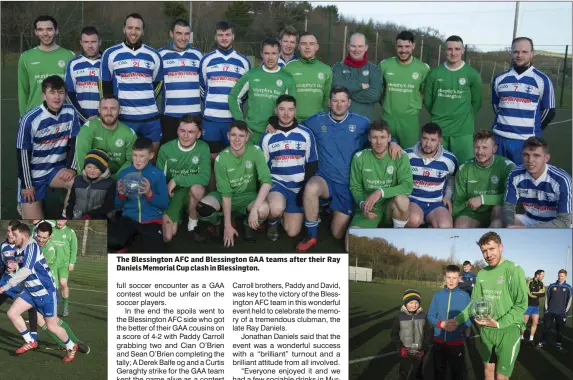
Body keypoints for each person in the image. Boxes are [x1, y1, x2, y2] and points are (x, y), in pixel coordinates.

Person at [295, 86, 370, 253]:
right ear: (329, 102)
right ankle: (311, 235)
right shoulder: (317, 120)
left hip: (348, 184)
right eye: (335, 100)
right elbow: (295, 129)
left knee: (337, 234)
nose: (339, 104)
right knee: (311, 188)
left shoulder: (361, 122)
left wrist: (393, 141)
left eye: (343, 101)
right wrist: (273, 125)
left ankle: (330, 208)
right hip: (325, 179)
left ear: (349, 103)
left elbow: (381, 133)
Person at [446, 231, 528, 380]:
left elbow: (521, 305)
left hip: (508, 331)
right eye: (484, 251)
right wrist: (456, 320)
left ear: (501, 247)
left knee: (501, 377)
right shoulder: (482, 273)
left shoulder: (514, 270)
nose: (488, 254)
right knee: (488, 372)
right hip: (486, 331)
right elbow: (474, 303)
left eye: (492, 249)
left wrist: (498, 323)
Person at [0, 223, 80, 361]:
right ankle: (30, 341)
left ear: (24, 236)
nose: (12, 237)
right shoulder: (19, 249)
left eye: (15, 235)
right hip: (30, 292)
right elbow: (21, 271)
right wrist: (13, 268)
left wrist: (5, 286)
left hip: (46, 293)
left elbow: (26, 271)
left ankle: (71, 345)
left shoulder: (32, 246)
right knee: (12, 313)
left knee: (52, 326)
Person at [195, 121, 271, 246]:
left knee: (263, 209)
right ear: (228, 136)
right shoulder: (221, 159)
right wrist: (227, 226)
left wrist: (255, 209)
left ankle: (247, 225)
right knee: (202, 208)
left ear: (247, 137)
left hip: (248, 196)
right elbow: (226, 195)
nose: (237, 139)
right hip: (226, 196)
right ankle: (217, 223)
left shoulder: (255, 151)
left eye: (241, 136)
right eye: (233, 135)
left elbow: (266, 181)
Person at [17, 75, 81, 219]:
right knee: (34, 222)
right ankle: (24, 203)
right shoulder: (30, 119)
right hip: (34, 175)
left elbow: (75, 143)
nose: (57, 97)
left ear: (65, 94)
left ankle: (66, 215)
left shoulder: (70, 112)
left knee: (78, 183)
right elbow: (22, 153)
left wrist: (72, 168)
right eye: (52, 92)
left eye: (60, 92)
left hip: (57, 171)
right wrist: (27, 185)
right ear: (43, 95)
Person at [101, 13, 164, 155]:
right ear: (124, 29)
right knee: (126, 156)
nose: (133, 31)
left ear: (143, 31)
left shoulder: (154, 55)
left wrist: (145, 99)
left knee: (151, 155)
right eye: (130, 27)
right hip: (125, 117)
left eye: (137, 28)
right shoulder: (110, 53)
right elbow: (105, 85)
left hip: (150, 117)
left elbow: (158, 83)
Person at [260, 95, 318, 241]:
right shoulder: (267, 136)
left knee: (292, 232)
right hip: (278, 184)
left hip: (297, 187)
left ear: (295, 111)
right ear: (276, 110)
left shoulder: (306, 133)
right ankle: (272, 222)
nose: (286, 114)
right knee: (276, 208)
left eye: (290, 109)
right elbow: (263, 167)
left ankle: (288, 213)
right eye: (282, 109)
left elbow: (312, 163)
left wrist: (304, 189)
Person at [492, 37, 555, 166]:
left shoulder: (542, 80)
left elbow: (549, 111)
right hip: (499, 139)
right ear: (511, 53)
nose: (519, 55)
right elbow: (496, 105)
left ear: (532, 54)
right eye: (516, 52)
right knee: (496, 180)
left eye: (524, 52)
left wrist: (531, 129)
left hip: (526, 141)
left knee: (523, 180)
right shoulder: (500, 78)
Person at [424, 35, 482, 164]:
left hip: (463, 131)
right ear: (445, 51)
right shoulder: (435, 73)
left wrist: (463, 117)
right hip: (439, 130)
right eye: (449, 49)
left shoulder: (472, 74)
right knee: (438, 168)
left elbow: (476, 102)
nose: (453, 52)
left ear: (462, 51)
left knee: (464, 169)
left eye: (457, 49)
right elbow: (428, 102)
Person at [348, 120, 412, 233]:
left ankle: (398, 233)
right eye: (374, 137)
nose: (379, 142)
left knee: (402, 199)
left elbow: (407, 186)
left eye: (382, 137)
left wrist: (380, 192)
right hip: (370, 208)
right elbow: (355, 186)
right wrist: (362, 203)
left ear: (389, 138)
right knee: (351, 244)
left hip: (391, 206)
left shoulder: (401, 156)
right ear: (369, 138)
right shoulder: (359, 157)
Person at [107, 137, 169, 253]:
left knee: (156, 254)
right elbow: (117, 204)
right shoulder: (124, 173)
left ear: (151, 156)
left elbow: (164, 204)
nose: (137, 160)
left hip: (151, 220)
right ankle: (128, 242)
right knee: (111, 241)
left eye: (142, 156)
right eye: (135, 155)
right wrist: (121, 194)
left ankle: (135, 240)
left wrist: (149, 193)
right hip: (129, 217)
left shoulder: (157, 174)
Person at [229, 38, 296, 145]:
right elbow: (233, 96)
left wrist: (275, 123)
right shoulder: (251, 75)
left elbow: (291, 108)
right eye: (266, 53)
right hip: (251, 133)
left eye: (274, 53)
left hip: (275, 132)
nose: (270, 57)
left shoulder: (287, 78)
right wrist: (240, 121)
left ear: (279, 54)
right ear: (261, 54)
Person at [200, 20, 251, 156]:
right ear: (215, 37)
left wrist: (236, 106)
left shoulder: (244, 62)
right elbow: (202, 87)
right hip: (211, 119)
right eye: (220, 35)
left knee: (233, 156)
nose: (224, 38)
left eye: (227, 34)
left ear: (233, 36)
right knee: (211, 157)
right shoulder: (206, 60)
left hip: (232, 119)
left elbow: (245, 91)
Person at [156, 115, 210, 242]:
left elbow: (204, 177)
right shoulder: (166, 148)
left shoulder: (203, 148)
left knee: (197, 189)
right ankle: (179, 213)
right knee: (168, 236)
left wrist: (176, 180)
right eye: (182, 131)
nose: (186, 136)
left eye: (191, 132)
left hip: (193, 190)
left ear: (198, 134)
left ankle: (192, 224)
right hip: (174, 193)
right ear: (177, 131)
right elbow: (159, 178)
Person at [503, 137, 572, 228]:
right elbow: (508, 206)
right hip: (529, 220)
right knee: (498, 219)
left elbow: (564, 221)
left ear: (546, 158)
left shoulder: (561, 180)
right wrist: (509, 225)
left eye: (536, 155)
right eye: (526, 155)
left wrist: (527, 229)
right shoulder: (515, 174)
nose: (530, 160)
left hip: (555, 223)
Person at [453, 130, 515, 228]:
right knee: (461, 224)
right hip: (474, 213)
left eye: (485, 147)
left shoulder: (508, 167)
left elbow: (512, 198)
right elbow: (458, 203)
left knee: (499, 214)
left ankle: (491, 242)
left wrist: (483, 199)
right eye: (477, 147)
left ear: (494, 149)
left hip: (496, 211)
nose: (480, 152)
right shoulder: (464, 169)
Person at [379, 31, 430, 148]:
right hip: (388, 118)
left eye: (407, 46)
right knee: (384, 153)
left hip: (409, 120)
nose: (403, 50)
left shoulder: (423, 68)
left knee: (408, 155)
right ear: (396, 47)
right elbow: (379, 90)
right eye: (400, 46)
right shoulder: (385, 65)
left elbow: (423, 92)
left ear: (413, 46)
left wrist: (413, 107)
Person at [18, 15, 75, 116]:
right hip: (35, 115)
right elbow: (23, 90)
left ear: (56, 30)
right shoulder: (26, 57)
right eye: (40, 29)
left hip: (63, 116)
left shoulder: (69, 56)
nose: (45, 33)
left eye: (49, 29)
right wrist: (23, 116)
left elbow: (73, 90)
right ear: (36, 32)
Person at [157, 19, 203, 144]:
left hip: (194, 116)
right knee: (170, 154)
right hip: (170, 116)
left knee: (193, 155)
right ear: (171, 34)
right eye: (179, 33)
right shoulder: (160, 55)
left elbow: (203, 84)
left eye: (186, 34)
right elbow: (154, 85)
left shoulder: (198, 55)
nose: (183, 38)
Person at [405, 123, 457, 228]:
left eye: (433, 140)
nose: (428, 144)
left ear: (440, 141)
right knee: (413, 220)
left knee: (445, 226)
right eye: (425, 138)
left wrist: (448, 196)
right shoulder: (407, 155)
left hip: (436, 203)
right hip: (414, 200)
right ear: (421, 138)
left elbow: (453, 177)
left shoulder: (449, 159)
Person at [74, 95, 136, 177]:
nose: (109, 112)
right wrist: (85, 179)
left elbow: (131, 161)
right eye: (105, 108)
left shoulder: (129, 133)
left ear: (120, 110)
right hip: (91, 177)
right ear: (99, 110)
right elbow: (81, 157)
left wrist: (114, 180)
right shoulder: (88, 128)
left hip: (117, 177)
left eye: (113, 108)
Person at [428, 265, 471, 380]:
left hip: (456, 342)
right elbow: (430, 316)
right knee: (438, 372)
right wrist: (441, 324)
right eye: (449, 277)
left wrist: (457, 324)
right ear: (445, 278)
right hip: (439, 341)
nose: (451, 281)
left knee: (457, 373)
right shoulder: (438, 295)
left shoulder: (465, 296)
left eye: (454, 278)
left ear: (459, 278)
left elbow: (469, 318)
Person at [0, 220, 39, 342]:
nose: (10, 234)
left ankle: (33, 335)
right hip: (9, 282)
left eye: (12, 231)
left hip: (23, 282)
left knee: (32, 307)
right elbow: (4, 263)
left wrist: (16, 264)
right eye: (8, 231)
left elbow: (27, 264)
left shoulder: (27, 245)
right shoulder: (4, 246)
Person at [332, 32, 382, 121]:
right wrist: (361, 86)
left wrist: (347, 95)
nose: (356, 49)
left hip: (365, 124)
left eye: (360, 46)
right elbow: (337, 90)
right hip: (340, 123)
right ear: (348, 46)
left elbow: (374, 95)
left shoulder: (374, 69)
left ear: (366, 47)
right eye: (353, 46)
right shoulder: (338, 67)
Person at [283, 32, 332, 122]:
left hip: (318, 122)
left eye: (311, 44)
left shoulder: (326, 70)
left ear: (317, 47)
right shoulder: (288, 68)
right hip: (293, 122)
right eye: (303, 44)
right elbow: (282, 97)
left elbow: (327, 99)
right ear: (298, 47)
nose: (307, 47)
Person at [391, 289, 433, 380]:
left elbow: (428, 332)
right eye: (410, 302)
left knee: (418, 370)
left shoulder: (423, 316)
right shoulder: (400, 317)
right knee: (403, 371)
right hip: (405, 350)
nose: (414, 305)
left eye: (416, 303)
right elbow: (394, 334)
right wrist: (400, 347)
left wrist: (424, 348)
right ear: (405, 303)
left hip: (419, 350)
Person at [65, 26, 102, 122]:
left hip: (104, 119)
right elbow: (69, 94)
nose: (90, 46)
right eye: (86, 42)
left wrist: (100, 116)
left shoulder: (106, 63)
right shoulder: (73, 64)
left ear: (100, 42)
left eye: (93, 42)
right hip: (80, 120)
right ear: (81, 43)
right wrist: (84, 117)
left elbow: (113, 93)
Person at [66, 149, 115, 219]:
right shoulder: (78, 180)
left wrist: (91, 215)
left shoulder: (109, 183)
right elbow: (71, 201)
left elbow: (108, 206)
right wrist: (69, 215)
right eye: (89, 167)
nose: (92, 171)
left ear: (103, 169)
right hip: (77, 217)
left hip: (97, 219)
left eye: (96, 168)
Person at [48, 220, 77, 317]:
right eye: (58, 220)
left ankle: (65, 307)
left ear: (66, 220)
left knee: (63, 283)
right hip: (52, 263)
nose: (59, 222)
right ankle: (53, 308)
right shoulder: (51, 230)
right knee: (53, 286)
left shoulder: (70, 232)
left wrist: (72, 262)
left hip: (64, 264)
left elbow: (74, 248)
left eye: (62, 220)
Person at [539, 269, 571, 351]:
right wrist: (546, 310)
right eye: (559, 275)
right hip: (550, 312)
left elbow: (569, 301)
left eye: (562, 276)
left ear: (565, 277)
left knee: (559, 330)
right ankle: (543, 341)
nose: (560, 277)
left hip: (561, 313)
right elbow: (547, 299)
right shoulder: (552, 286)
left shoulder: (568, 287)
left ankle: (558, 344)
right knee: (546, 328)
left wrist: (565, 313)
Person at [522, 269, 545, 346]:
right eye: (542, 275)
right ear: (537, 275)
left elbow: (543, 293)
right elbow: (529, 294)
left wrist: (536, 293)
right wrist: (538, 293)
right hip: (527, 306)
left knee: (535, 322)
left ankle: (531, 339)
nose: (543, 277)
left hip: (536, 306)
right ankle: (521, 337)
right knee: (524, 323)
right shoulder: (529, 282)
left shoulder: (541, 283)